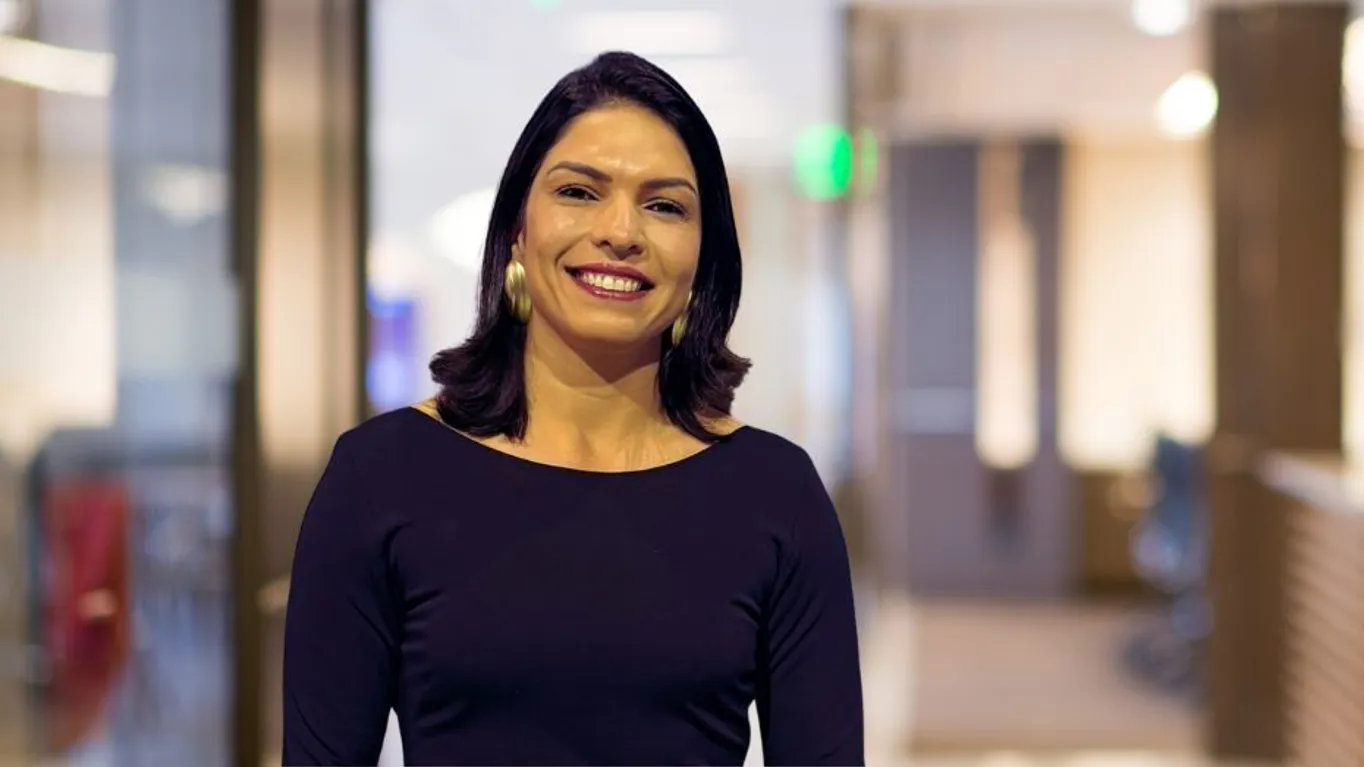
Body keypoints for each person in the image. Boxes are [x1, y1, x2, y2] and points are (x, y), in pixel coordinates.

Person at [282, 51, 863, 766]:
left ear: (701, 263)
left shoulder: (778, 493)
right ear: (518, 232)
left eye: (665, 205)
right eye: (581, 192)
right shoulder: (378, 477)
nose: (622, 231)